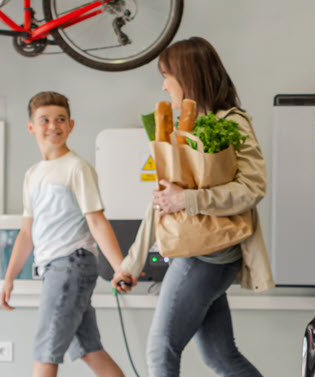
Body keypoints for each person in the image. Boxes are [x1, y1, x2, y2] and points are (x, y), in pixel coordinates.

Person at [112, 37, 274, 377]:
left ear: (188, 77)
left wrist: (188, 199)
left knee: (160, 353)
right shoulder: (183, 129)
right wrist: (131, 262)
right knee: (221, 357)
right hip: (199, 255)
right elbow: (161, 202)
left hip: (206, 258)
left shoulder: (233, 122)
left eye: (167, 75)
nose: (163, 84)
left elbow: (253, 188)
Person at [2, 91, 130, 377]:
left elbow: (96, 221)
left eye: (60, 119)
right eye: (44, 120)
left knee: (45, 350)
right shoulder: (33, 174)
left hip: (70, 263)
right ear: (31, 127)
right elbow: (27, 232)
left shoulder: (77, 168)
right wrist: (10, 277)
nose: (53, 126)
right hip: (54, 268)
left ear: (71, 125)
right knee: (88, 349)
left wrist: (121, 267)